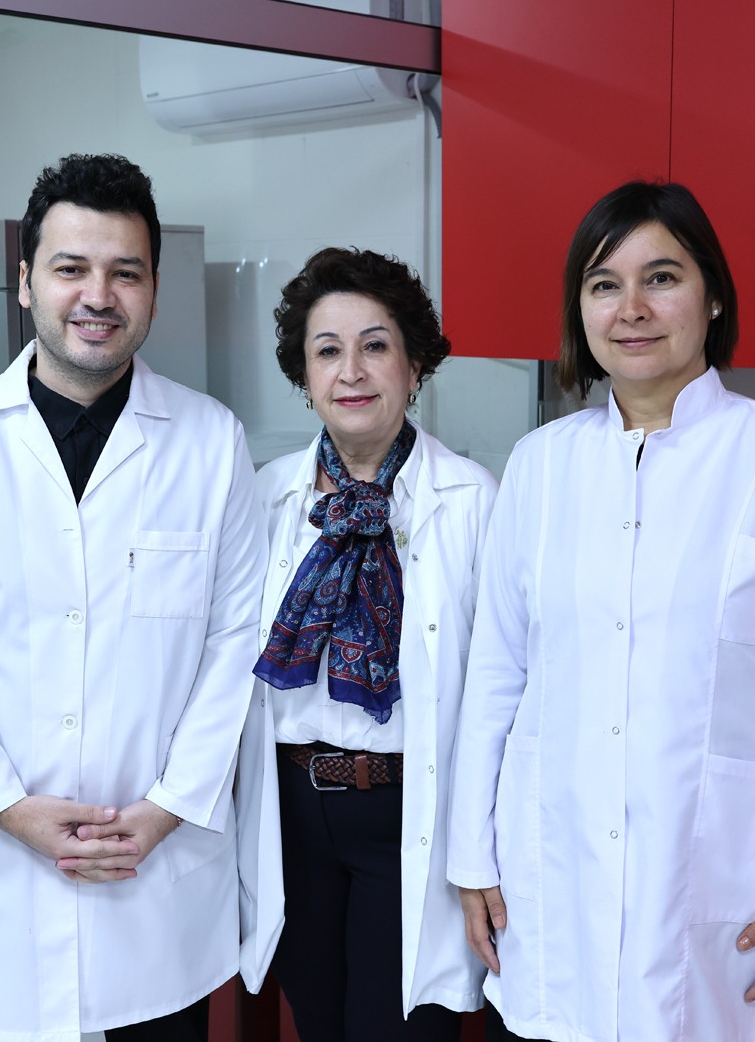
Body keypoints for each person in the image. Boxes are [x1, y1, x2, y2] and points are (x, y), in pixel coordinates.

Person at [447, 181, 755, 1042]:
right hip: (553, 878)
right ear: (580, 312)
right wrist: (473, 853)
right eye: (604, 284)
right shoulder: (539, 464)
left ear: (712, 296)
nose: (632, 308)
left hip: (722, 892)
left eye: (662, 278)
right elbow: (496, 673)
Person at [0, 152, 264, 1042]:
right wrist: (10, 810)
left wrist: (168, 806)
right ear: (25, 283)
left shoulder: (211, 444)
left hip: (154, 870)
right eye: (70, 268)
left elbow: (236, 646)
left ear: (153, 289)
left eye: (125, 271)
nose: (98, 295)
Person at [237, 247, 494, 1041]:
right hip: (291, 816)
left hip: (409, 814)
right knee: (317, 1022)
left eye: (375, 345)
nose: (350, 370)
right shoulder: (266, 496)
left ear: (414, 366)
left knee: (402, 1025)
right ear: (305, 376)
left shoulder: (473, 501)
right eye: (327, 350)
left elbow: (501, 691)